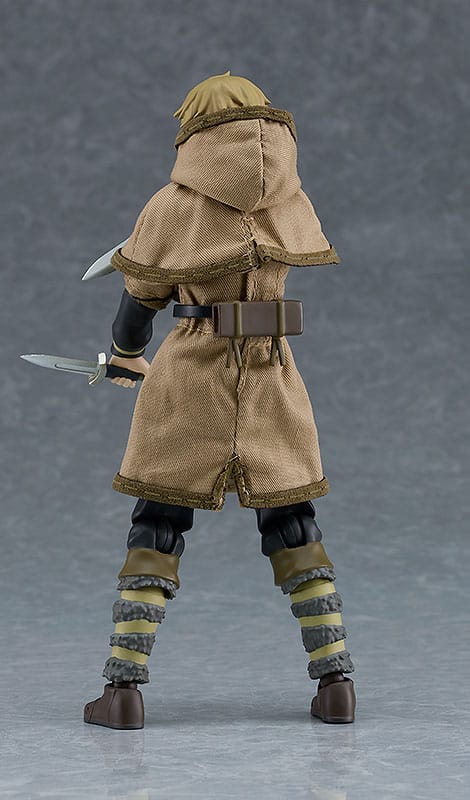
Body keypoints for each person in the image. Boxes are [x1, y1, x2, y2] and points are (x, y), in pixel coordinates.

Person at [84, 72, 355, 729]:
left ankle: (124, 691)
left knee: (158, 524)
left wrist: (124, 354)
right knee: (294, 524)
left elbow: (138, 303)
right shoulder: (290, 200)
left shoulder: (173, 206)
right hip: (272, 374)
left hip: (192, 375)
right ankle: (336, 683)